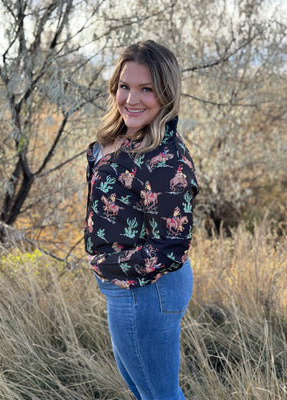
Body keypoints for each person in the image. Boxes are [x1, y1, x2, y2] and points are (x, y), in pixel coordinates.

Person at [84, 40, 199, 400]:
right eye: (125, 86)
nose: (131, 99)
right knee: (144, 391)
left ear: (166, 92)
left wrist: (106, 263)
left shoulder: (166, 160)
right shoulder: (122, 135)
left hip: (146, 290)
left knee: (160, 395)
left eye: (146, 89)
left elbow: (170, 248)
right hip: (127, 287)